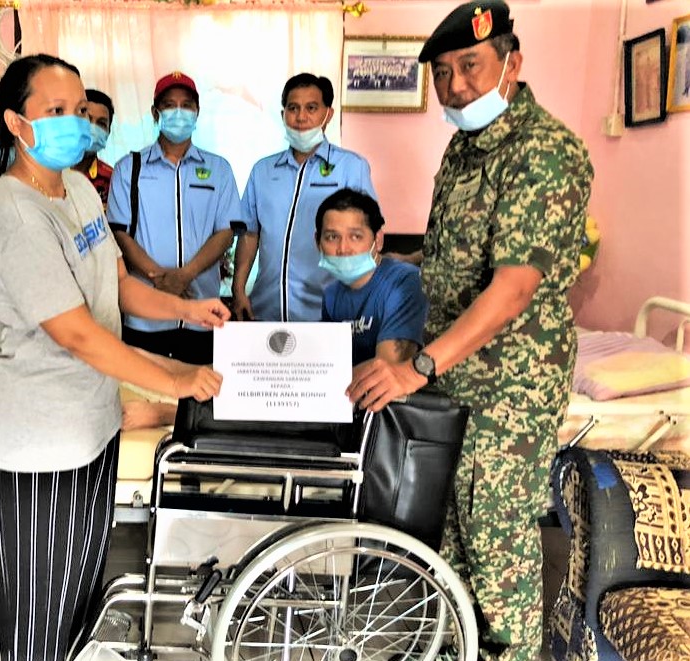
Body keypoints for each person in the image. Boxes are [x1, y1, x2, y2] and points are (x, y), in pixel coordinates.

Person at [347, 3, 593, 660]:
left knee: (494, 539)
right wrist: (390, 268)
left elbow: (511, 288)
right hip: (455, 371)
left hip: (509, 384)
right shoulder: (464, 147)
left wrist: (416, 368)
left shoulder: (543, 152)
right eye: (442, 73)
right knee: (452, 534)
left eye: (470, 66)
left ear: (512, 63)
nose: (454, 86)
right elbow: (451, 256)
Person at [0, 54, 226, 661]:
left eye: (80, 110)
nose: (75, 122)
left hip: (91, 424)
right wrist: (174, 382)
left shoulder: (80, 189)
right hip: (38, 442)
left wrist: (186, 309)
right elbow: (79, 335)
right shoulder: (15, 214)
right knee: (37, 612)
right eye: (55, 110)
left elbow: (116, 286)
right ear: (16, 122)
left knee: (82, 589)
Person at [107, 72, 240, 365]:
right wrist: (160, 279)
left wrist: (185, 275)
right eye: (169, 105)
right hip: (145, 317)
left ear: (197, 112)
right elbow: (120, 234)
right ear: (155, 113)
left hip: (202, 315)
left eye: (186, 105)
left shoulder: (218, 169)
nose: (178, 113)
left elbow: (225, 232)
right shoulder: (129, 168)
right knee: (144, 392)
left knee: (199, 389)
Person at [233, 73, 377, 323]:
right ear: (283, 115)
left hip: (328, 312)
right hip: (266, 309)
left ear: (328, 114)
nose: (301, 117)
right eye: (293, 108)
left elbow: (369, 236)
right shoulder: (263, 171)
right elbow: (250, 234)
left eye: (311, 108)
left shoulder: (351, 167)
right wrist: (238, 289)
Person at [315, 188, 427, 365]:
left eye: (355, 236)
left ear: (378, 240)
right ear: (318, 243)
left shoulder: (406, 283)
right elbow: (329, 363)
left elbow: (387, 368)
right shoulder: (331, 295)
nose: (343, 249)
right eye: (332, 237)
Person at [73, 88, 114, 205]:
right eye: (87, 120)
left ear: (108, 132)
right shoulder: (49, 171)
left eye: (101, 123)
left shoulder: (111, 180)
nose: (93, 128)